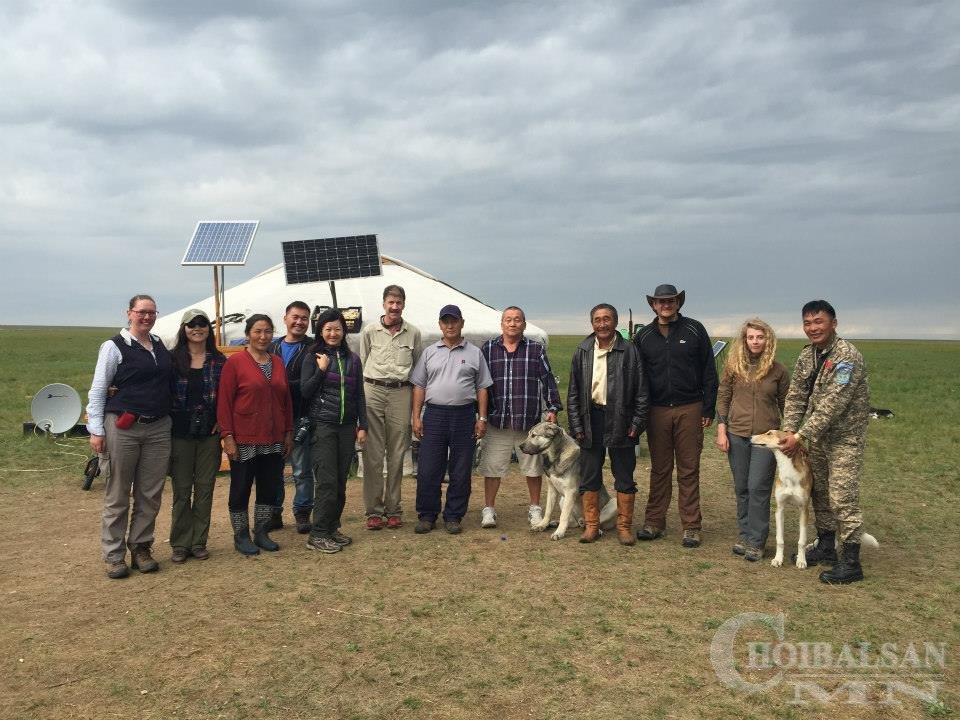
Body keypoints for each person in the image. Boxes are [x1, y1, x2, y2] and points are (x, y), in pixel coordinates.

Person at [778, 300, 871, 584]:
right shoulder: (808, 355)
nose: (813, 328)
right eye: (807, 323)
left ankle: (851, 561)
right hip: (816, 439)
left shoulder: (847, 356)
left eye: (819, 321)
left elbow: (833, 404)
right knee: (819, 493)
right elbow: (796, 395)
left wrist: (800, 436)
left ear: (834, 323)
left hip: (844, 438)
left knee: (841, 496)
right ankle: (827, 545)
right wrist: (789, 431)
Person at [87, 294, 174, 579]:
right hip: (124, 427)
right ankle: (114, 555)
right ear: (129, 313)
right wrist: (96, 430)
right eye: (141, 312)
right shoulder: (114, 346)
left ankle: (141, 548)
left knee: (150, 492)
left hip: (158, 427)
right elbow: (98, 389)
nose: (147, 317)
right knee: (118, 492)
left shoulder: (160, 344)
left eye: (152, 312)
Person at [634, 284, 718, 548]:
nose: (666, 305)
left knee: (688, 469)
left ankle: (691, 526)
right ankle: (654, 522)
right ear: (653, 305)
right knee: (660, 468)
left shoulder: (694, 329)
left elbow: (709, 370)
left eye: (671, 300)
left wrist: (708, 408)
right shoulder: (643, 336)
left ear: (678, 302)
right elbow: (638, 376)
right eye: (661, 301)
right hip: (657, 410)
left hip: (690, 407)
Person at [567, 303, 648, 545]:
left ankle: (624, 527)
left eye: (607, 319)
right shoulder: (582, 350)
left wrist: (637, 424)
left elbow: (642, 392)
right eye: (597, 320)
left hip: (622, 419)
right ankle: (592, 526)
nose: (602, 324)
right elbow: (573, 393)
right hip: (591, 419)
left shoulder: (630, 350)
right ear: (592, 323)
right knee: (589, 475)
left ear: (615, 322)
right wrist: (576, 426)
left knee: (624, 475)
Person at [410, 305, 492, 535]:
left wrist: (482, 418)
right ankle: (427, 515)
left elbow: (482, 388)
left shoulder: (475, 353)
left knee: (461, 469)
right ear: (440, 325)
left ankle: (454, 516)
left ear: (462, 323)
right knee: (428, 469)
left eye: (454, 321)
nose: (450, 325)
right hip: (434, 415)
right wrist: (416, 417)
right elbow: (419, 386)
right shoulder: (429, 352)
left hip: (464, 416)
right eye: (445, 321)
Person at [478, 306, 562, 529]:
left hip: (528, 422)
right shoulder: (489, 349)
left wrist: (553, 408)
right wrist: (480, 415)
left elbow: (547, 380)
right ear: (502, 324)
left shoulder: (535, 349)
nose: (512, 323)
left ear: (524, 324)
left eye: (517, 320)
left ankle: (535, 508)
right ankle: (489, 509)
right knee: (492, 468)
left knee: (533, 469)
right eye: (508, 320)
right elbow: (481, 383)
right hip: (497, 420)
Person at [217, 314, 293, 556]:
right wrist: (227, 435)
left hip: (273, 436)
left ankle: (261, 532)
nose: (263, 336)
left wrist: (288, 432)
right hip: (244, 437)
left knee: (269, 486)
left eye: (268, 331)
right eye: (258, 331)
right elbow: (224, 401)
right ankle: (241, 535)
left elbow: (286, 401)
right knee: (241, 487)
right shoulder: (235, 363)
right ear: (248, 334)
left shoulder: (277, 362)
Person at [715, 318, 789, 562]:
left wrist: (788, 434)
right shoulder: (734, 367)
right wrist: (722, 429)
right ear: (744, 340)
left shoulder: (778, 371)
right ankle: (745, 535)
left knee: (758, 487)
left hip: (765, 439)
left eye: (760, 337)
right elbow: (723, 397)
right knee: (742, 487)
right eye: (751, 337)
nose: (755, 341)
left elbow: (787, 404)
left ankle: (757, 541)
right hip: (737, 434)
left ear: (768, 340)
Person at [301, 309, 368, 554]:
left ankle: (331, 528)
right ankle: (317, 534)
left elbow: (359, 394)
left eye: (337, 328)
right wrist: (321, 370)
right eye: (328, 329)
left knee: (340, 481)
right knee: (327, 482)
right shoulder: (313, 356)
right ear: (320, 331)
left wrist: (363, 425)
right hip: (323, 426)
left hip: (347, 426)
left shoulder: (353, 359)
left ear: (344, 331)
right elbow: (305, 392)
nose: (333, 333)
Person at [360, 285, 421, 530]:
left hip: (401, 392)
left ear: (404, 304)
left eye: (398, 302)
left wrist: (416, 409)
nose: (394, 307)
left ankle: (393, 509)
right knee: (372, 454)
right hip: (373, 391)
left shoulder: (413, 333)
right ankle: (373, 511)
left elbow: (418, 369)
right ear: (384, 304)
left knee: (397, 453)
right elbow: (362, 363)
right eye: (390, 302)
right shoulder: (369, 331)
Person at [168, 308, 226, 563]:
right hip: (179, 433)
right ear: (184, 329)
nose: (197, 328)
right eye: (192, 324)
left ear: (208, 329)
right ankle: (181, 543)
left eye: (202, 324)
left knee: (205, 489)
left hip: (208, 435)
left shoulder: (219, 361)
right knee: (182, 490)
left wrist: (221, 421)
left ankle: (199, 541)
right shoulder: (172, 360)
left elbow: (228, 396)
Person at [269, 301, 315, 533]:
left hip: (300, 415)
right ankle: (274, 512)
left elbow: (312, 382)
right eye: (295, 317)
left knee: (301, 468)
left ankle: (302, 511)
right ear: (285, 318)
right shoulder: (272, 346)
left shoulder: (313, 348)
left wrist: (281, 385)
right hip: (272, 418)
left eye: (304, 318)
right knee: (273, 468)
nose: (299, 322)